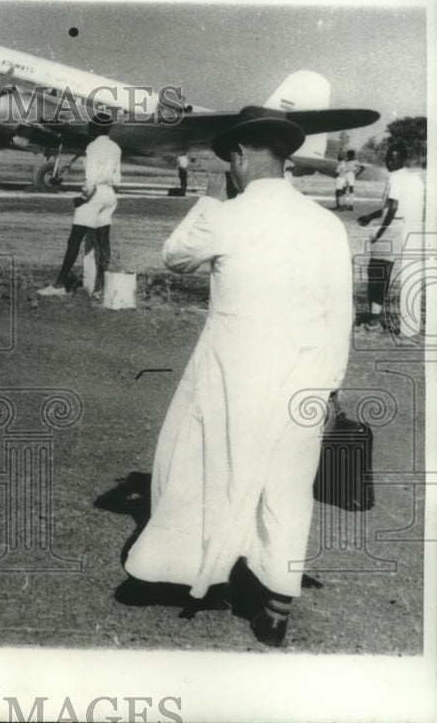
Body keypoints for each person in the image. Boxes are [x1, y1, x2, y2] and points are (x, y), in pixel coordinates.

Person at [121, 106, 353, 647]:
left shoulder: (229, 215)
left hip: (234, 365)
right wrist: (332, 383)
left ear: (241, 157)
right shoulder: (325, 223)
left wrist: (208, 197)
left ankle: (193, 568)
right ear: (285, 157)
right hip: (307, 368)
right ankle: (276, 600)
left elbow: (174, 256)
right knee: (288, 482)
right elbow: (339, 311)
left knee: (208, 464)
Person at [37, 133, 120, 298]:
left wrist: (82, 198)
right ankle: (100, 288)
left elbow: (90, 180)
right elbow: (117, 178)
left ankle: (60, 284)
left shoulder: (92, 147)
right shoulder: (115, 148)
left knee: (74, 240)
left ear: (93, 128)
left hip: (94, 193)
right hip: (109, 193)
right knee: (103, 240)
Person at [357, 140, 425, 335]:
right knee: (382, 272)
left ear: (403, 159)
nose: (389, 162)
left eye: (394, 158)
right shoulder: (413, 178)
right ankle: (378, 318)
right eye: (388, 158)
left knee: (376, 272)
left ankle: (373, 321)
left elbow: (393, 209)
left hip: (392, 227)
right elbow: (392, 207)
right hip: (404, 226)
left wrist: (378, 233)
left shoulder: (395, 178)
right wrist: (370, 216)